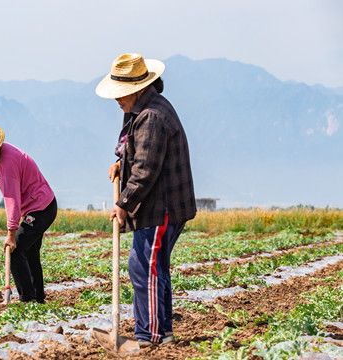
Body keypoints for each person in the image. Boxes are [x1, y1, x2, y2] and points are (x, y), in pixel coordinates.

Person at [95, 53, 196, 347]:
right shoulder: (138, 110)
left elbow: (145, 170)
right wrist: (118, 161)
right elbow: (130, 146)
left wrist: (123, 203)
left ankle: (149, 335)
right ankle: (161, 333)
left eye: (121, 94)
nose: (117, 100)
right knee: (154, 267)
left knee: (144, 267)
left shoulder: (152, 116)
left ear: (137, 88)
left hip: (162, 206)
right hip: (157, 204)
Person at [0, 124, 57, 303]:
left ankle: (28, 300)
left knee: (15, 251)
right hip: (41, 206)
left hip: (41, 208)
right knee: (29, 253)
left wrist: (11, 233)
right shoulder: (2, 156)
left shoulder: (7, 163)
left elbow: (11, 199)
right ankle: (38, 299)